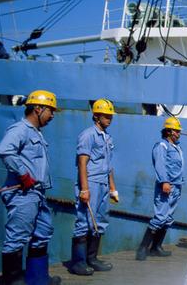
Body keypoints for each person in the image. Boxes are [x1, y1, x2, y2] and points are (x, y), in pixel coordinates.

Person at [0, 90, 61, 285]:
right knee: (17, 236)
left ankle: (38, 278)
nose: (53, 115)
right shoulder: (20, 129)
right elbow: (4, 151)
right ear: (38, 108)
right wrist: (23, 174)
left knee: (43, 232)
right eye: (51, 110)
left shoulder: (36, 133)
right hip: (22, 193)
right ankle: (13, 281)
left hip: (37, 193)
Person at [69, 99, 119, 276]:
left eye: (110, 116)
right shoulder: (88, 135)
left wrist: (113, 188)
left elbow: (109, 165)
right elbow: (82, 163)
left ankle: (92, 258)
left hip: (104, 183)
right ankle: (78, 262)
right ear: (96, 116)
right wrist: (84, 188)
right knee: (84, 221)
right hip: (91, 183)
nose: (110, 119)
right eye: (106, 116)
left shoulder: (107, 137)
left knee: (100, 220)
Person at [136, 116, 184, 261]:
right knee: (160, 217)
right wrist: (164, 182)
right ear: (169, 132)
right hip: (167, 186)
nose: (178, 134)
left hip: (176, 186)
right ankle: (142, 249)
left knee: (167, 218)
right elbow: (160, 165)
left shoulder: (176, 147)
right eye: (176, 131)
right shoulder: (161, 146)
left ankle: (156, 247)